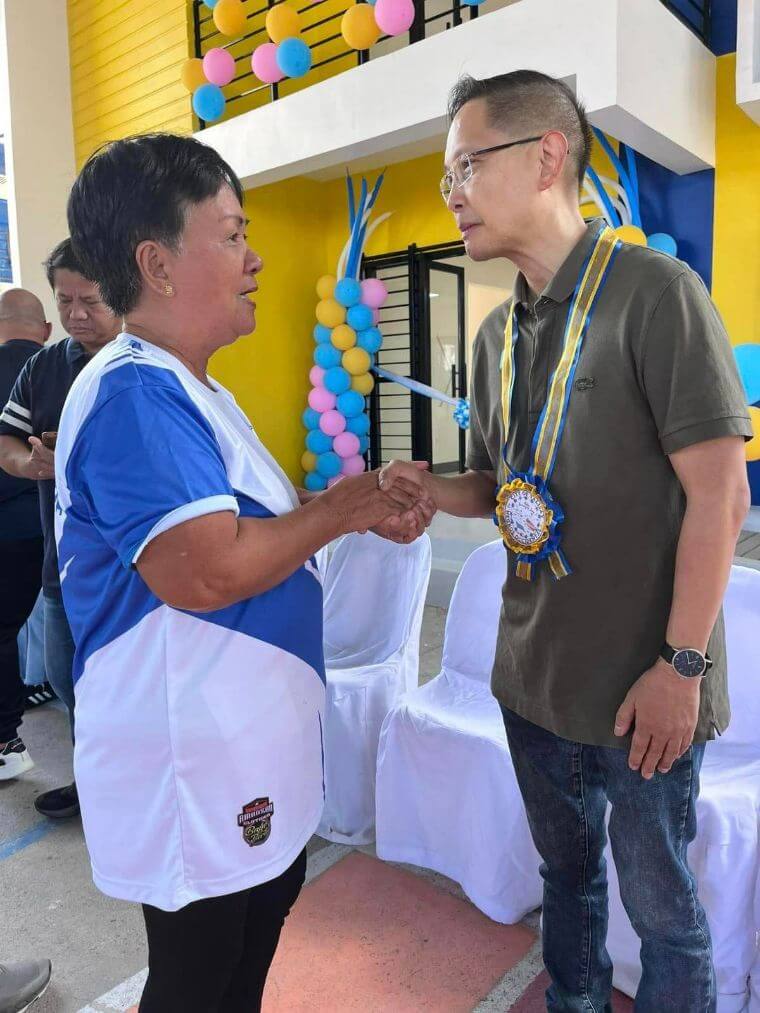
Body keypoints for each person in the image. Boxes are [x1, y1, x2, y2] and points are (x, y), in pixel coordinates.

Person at [382, 71, 752, 1012]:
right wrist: (435, 489)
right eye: (446, 175)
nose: (451, 192)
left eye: (466, 165)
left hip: (644, 695)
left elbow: (720, 493)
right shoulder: (497, 332)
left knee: (663, 910)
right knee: (567, 884)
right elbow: (506, 485)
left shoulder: (656, 296)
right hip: (532, 680)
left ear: (547, 156)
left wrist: (680, 663)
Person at [59, 132, 430, 1013]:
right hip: (194, 754)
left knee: (239, 966)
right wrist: (346, 505)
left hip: (242, 741)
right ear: (157, 262)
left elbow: (257, 523)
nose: (253, 257)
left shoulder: (194, 389)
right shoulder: (135, 394)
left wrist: (356, 509)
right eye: (230, 235)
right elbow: (208, 571)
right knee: (200, 980)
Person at [0, 241, 120, 817]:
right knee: (68, 681)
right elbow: (6, 439)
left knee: (130, 686)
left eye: (89, 300)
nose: (76, 314)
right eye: (64, 300)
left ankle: (134, 789)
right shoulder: (45, 367)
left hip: (135, 570)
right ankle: (95, 784)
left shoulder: (148, 359)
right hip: (63, 568)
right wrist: (29, 462)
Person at [0, 290, 50, 779]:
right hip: (63, 534)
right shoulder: (63, 368)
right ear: (47, 328)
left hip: (9, 534)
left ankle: (6, 740)